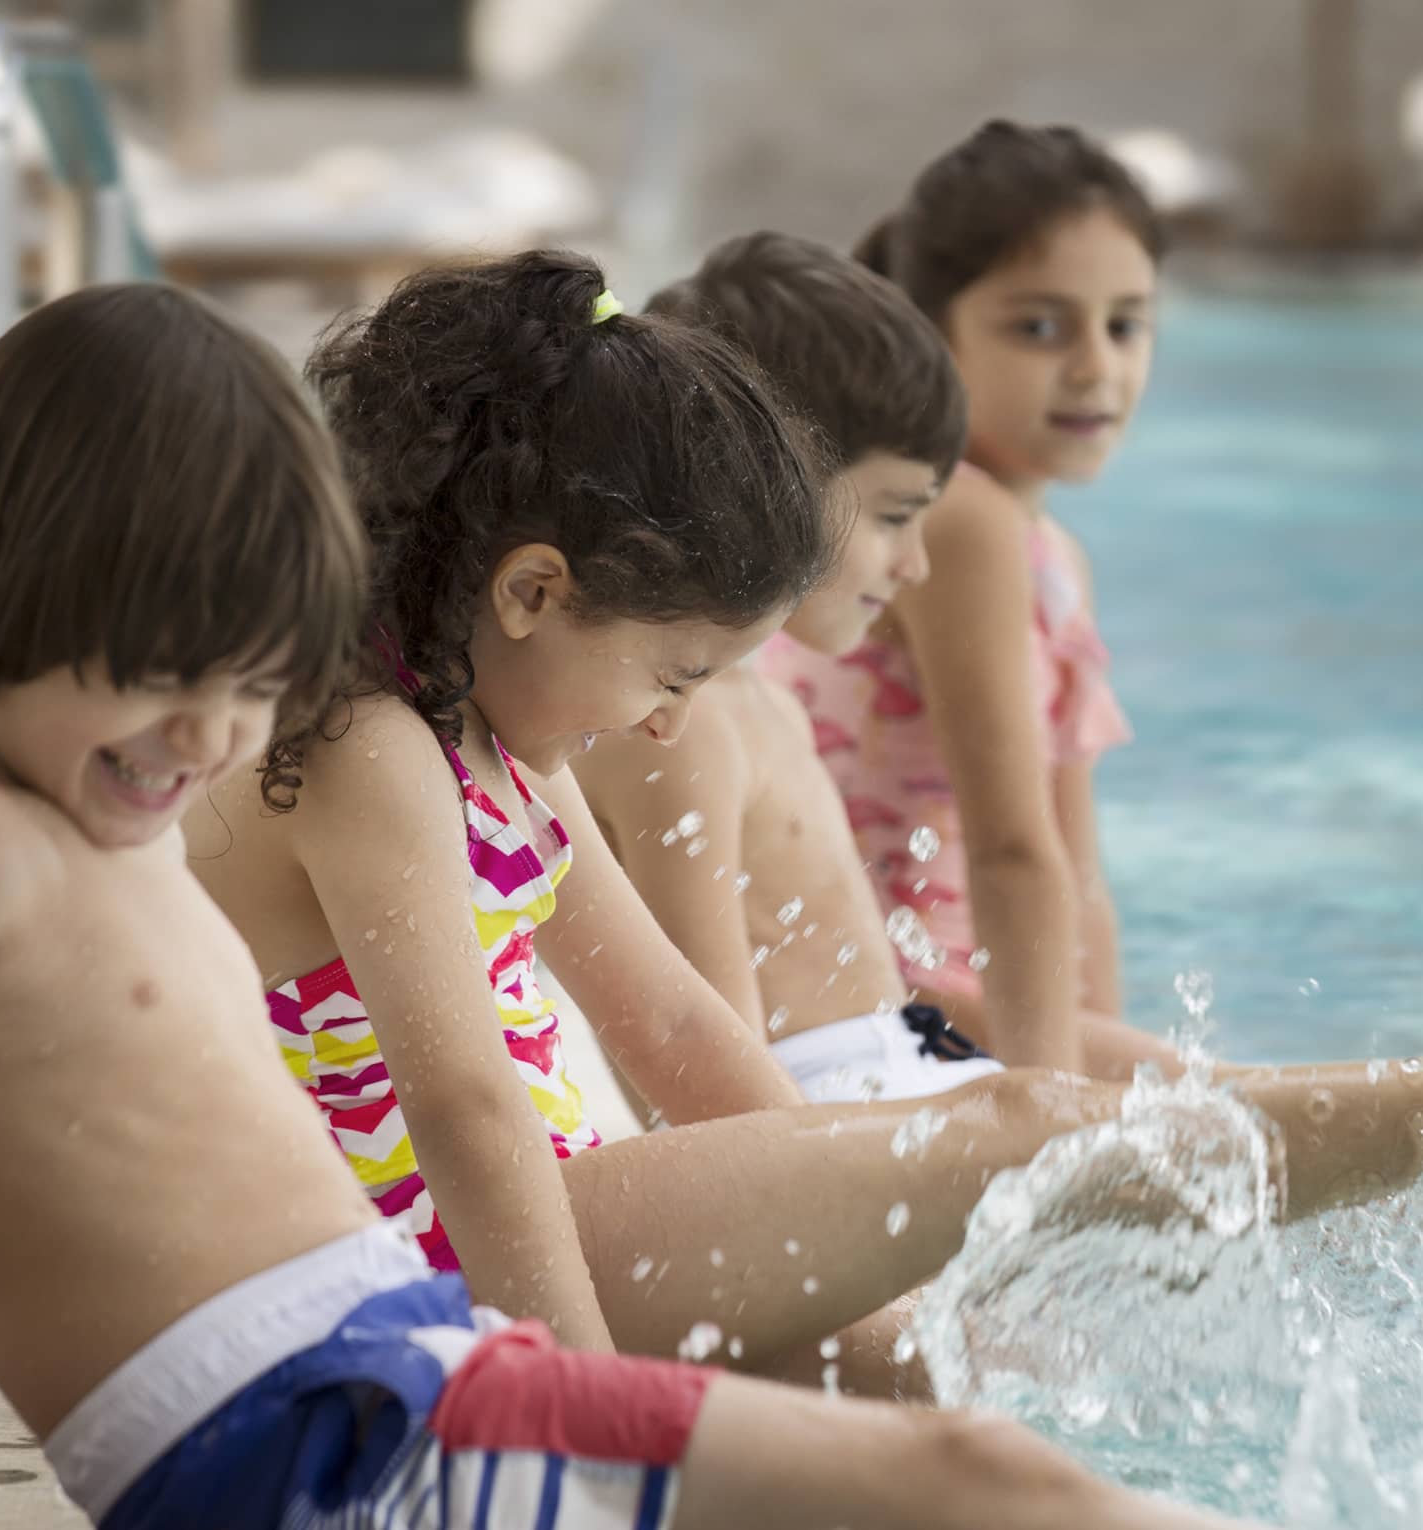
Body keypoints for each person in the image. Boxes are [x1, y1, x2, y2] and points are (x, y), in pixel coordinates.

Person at [0, 280, 1266, 1530]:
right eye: (164, 668)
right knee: (985, 1483)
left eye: (259, 683)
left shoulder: (85, 818)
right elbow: (465, 1109)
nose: (210, 739)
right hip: (314, 1434)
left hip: (392, 1372)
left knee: (974, 1460)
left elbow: (666, 1020)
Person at [186, 252, 1423, 1399]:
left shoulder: (486, 740)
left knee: (938, 1396)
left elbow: (669, 1022)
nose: (672, 728)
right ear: (531, 592)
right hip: (430, 1266)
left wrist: (849, 1223)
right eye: (674, 676)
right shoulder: (374, 753)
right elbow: (464, 1108)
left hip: (536, 1226)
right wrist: (568, 1410)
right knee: (1012, 1128)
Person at [574, 230, 1179, 1105]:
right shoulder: (684, 726)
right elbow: (707, 1078)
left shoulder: (745, 699)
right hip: (836, 1124)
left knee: (1216, 1100)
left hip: (892, 1071)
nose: (915, 568)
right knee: (1295, 1121)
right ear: (774, 484)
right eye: (896, 516)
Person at [759, 121, 1165, 1078]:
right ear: (933, 333)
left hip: (959, 992)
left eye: (1127, 323)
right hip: (884, 995)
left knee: (1195, 1107)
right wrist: (1057, 1104)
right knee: (1272, 1115)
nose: (1095, 368)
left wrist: (1105, 1064)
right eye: (1039, 326)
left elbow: (1074, 870)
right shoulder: (959, 521)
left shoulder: (1049, 551)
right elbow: (1012, 851)